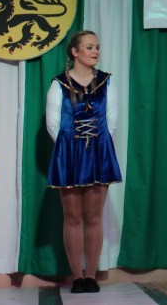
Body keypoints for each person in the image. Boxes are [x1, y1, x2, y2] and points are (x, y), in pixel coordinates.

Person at [46, 30, 122, 294]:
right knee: (73, 216)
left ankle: (91, 276)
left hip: (99, 153)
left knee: (93, 216)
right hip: (69, 154)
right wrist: (71, 147)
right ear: (74, 52)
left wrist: (97, 148)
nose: (95, 51)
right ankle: (76, 276)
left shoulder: (107, 82)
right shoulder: (59, 83)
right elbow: (53, 124)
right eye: (89, 47)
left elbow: (111, 122)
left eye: (97, 47)